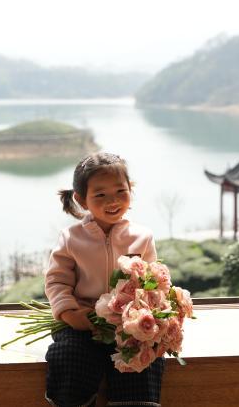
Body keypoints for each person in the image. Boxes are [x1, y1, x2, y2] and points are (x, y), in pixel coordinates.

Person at [44, 152, 164, 407]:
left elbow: (152, 282)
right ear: (81, 199)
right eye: (100, 195)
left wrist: (147, 316)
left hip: (128, 325)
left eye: (121, 191)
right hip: (83, 321)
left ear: (131, 189)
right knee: (69, 357)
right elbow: (57, 281)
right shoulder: (71, 238)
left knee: (141, 363)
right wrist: (69, 314)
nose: (113, 201)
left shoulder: (142, 237)